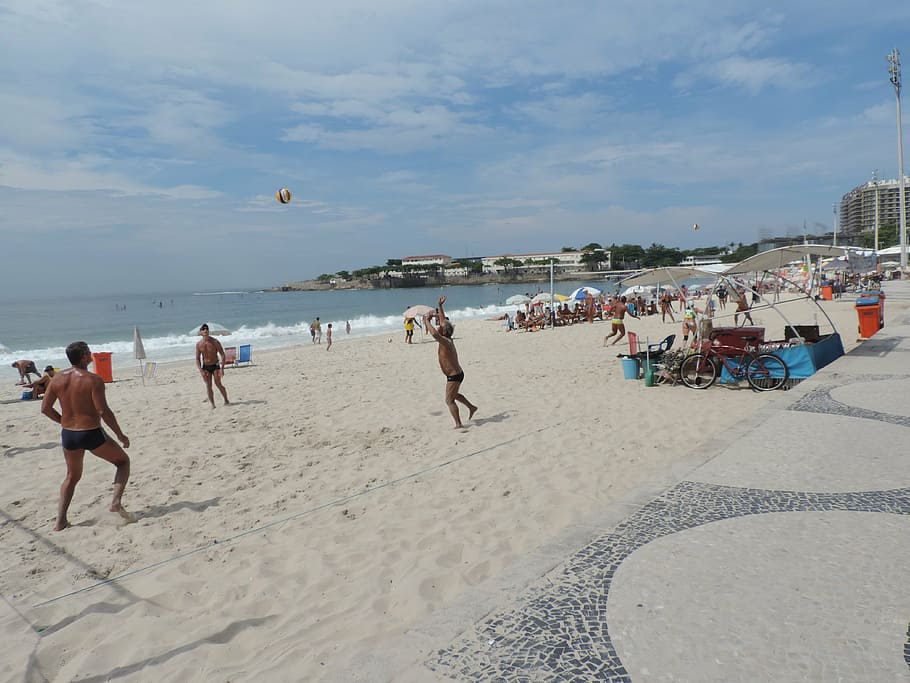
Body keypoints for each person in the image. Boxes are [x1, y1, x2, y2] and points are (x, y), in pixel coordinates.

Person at [40, 341, 133, 530]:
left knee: (71, 477)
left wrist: (63, 422)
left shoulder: (56, 379)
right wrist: (120, 435)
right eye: (89, 352)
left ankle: (60, 522)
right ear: (83, 356)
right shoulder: (93, 380)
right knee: (123, 462)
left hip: (69, 435)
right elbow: (103, 411)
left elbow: (45, 409)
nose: (91, 354)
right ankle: (115, 502)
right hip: (91, 433)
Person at [424, 296, 478, 429]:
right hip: (457, 374)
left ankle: (458, 424)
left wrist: (426, 321)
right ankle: (471, 407)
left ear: (443, 331)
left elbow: (435, 335)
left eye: (439, 326)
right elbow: (443, 321)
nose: (438, 326)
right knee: (454, 395)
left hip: (454, 376)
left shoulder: (445, 341)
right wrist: (440, 306)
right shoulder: (447, 337)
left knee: (449, 400)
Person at [195, 323, 229, 408]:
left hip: (215, 365)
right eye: (203, 329)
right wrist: (201, 370)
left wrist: (222, 368)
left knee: (218, 384)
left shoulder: (215, 342)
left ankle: (226, 399)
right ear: (200, 332)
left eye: (207, 329)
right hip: (206, 367)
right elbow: (197, 359)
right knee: (208, 385)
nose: (205, 330)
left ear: (208, 331)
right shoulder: (199, 344)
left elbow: (222, 354)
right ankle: (213, 405)